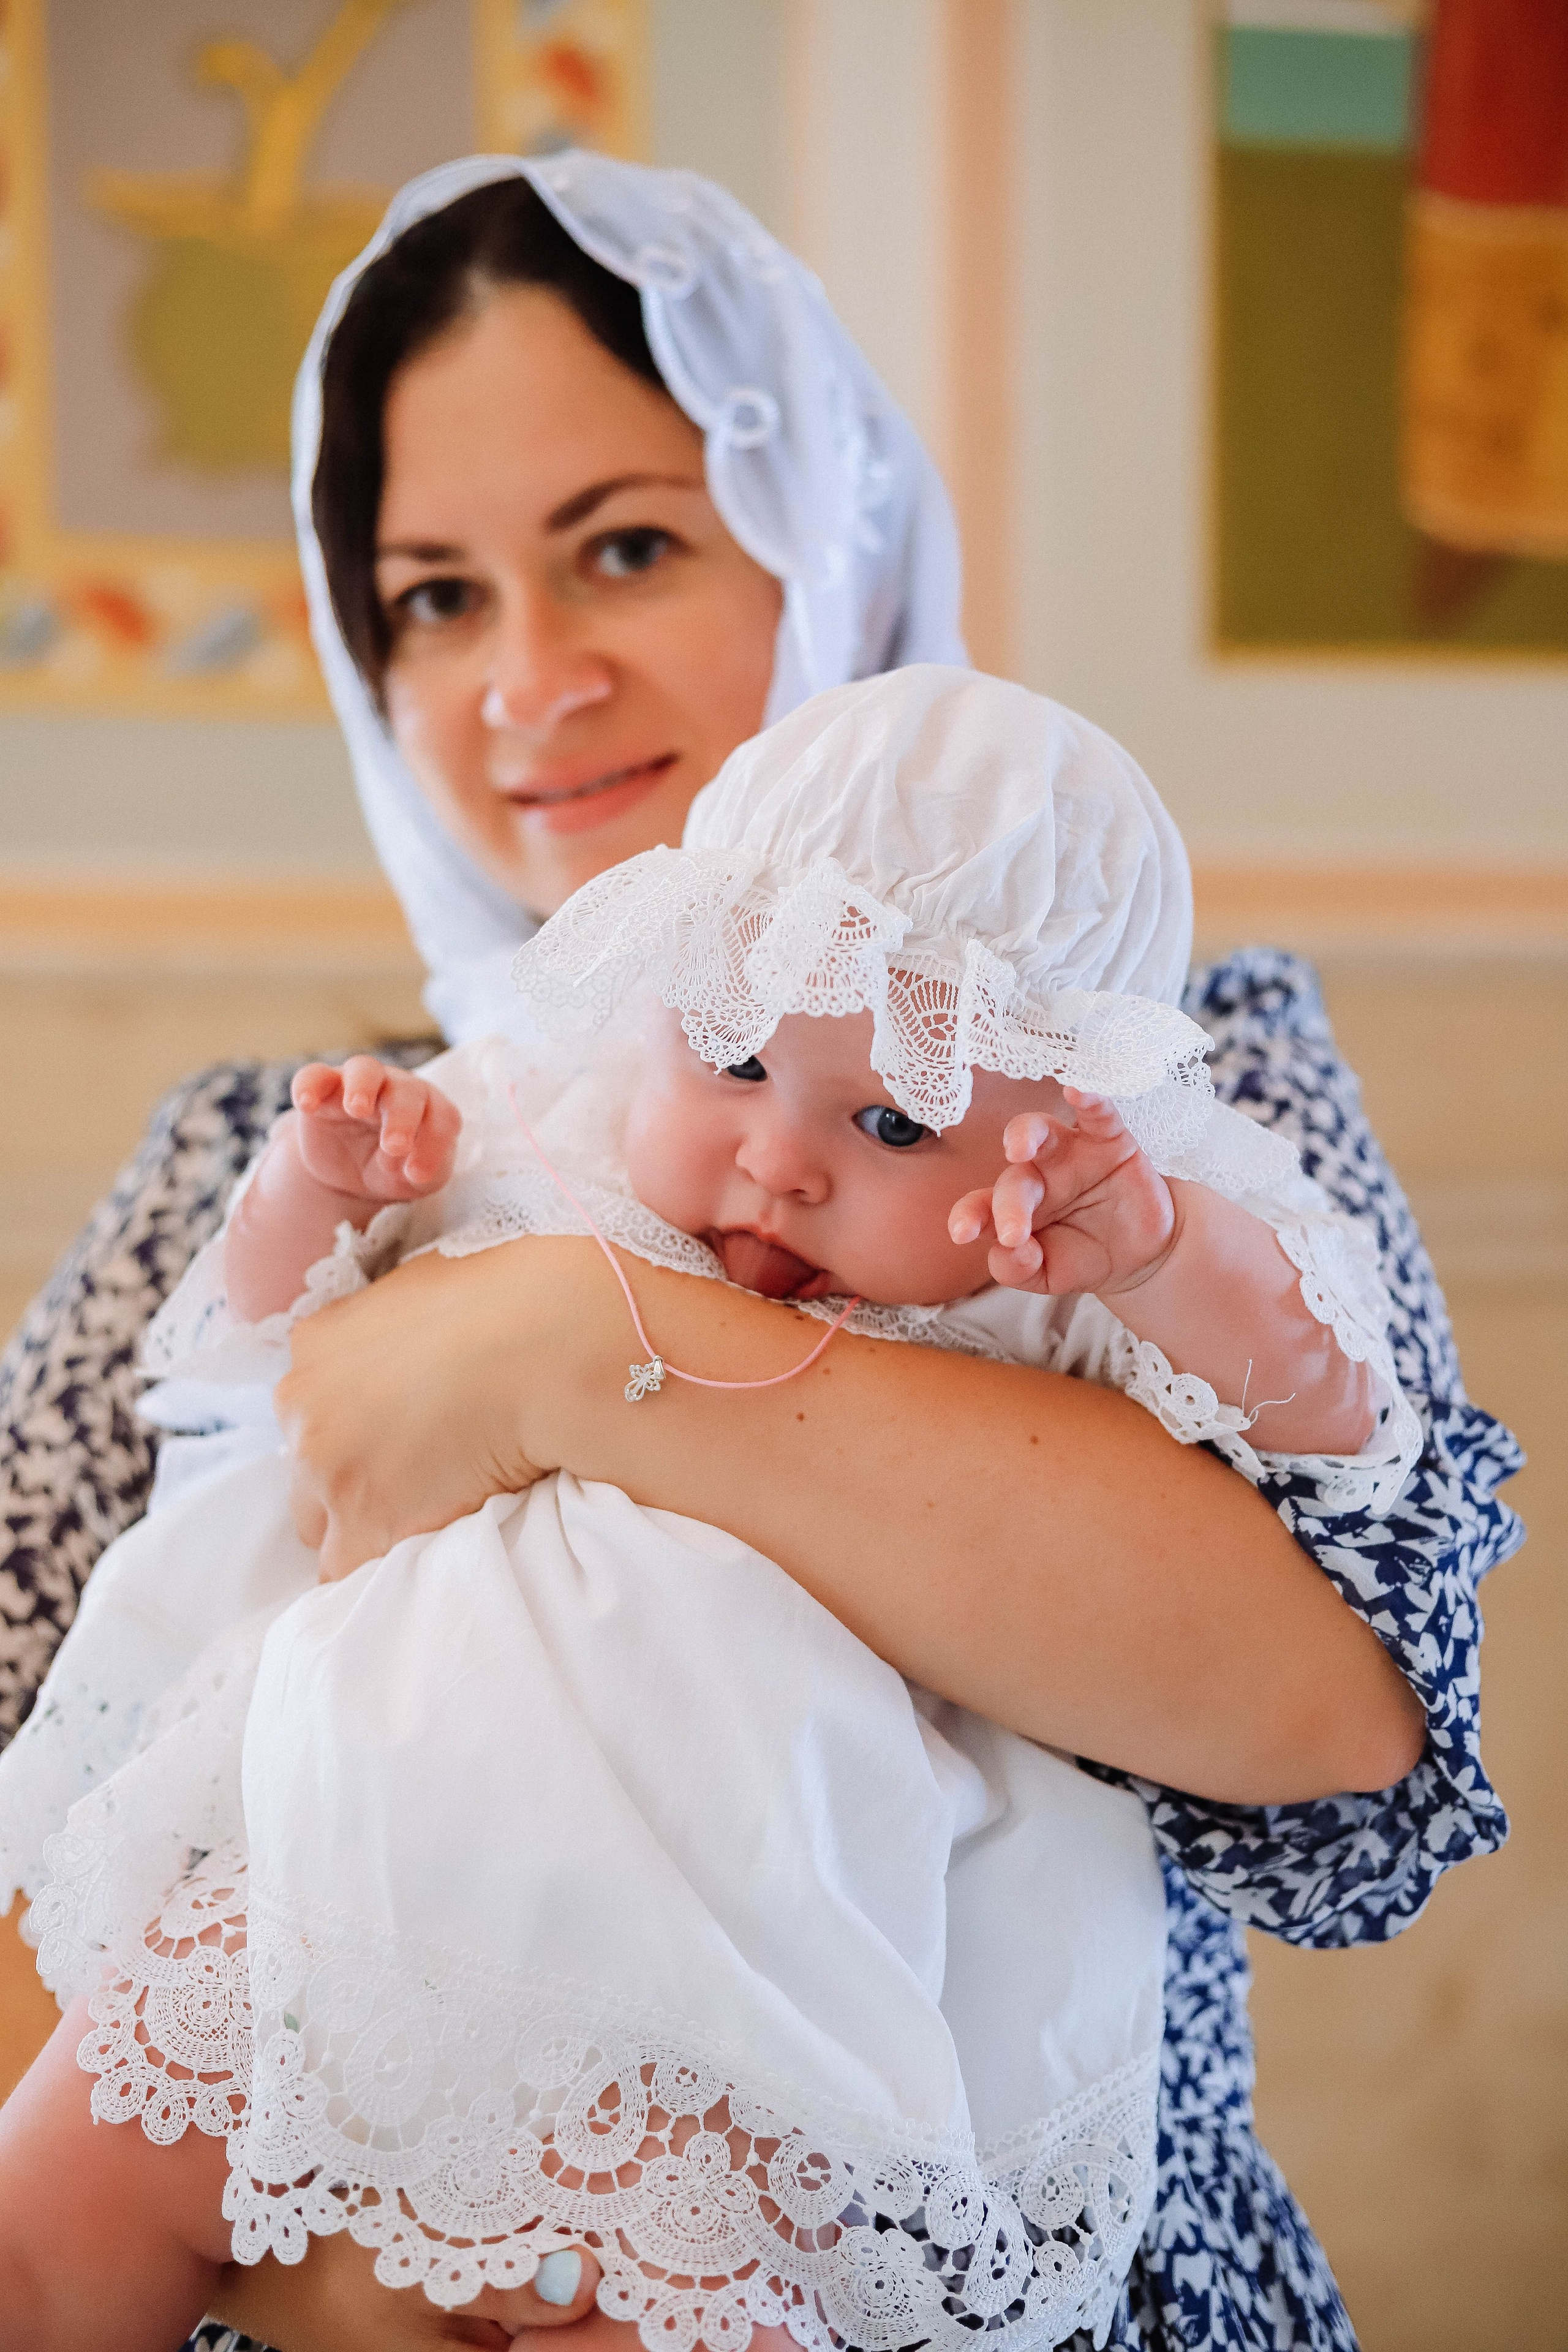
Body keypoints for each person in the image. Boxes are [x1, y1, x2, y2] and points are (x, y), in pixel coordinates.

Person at [0, 154, 1521, 2352]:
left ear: (832, 546)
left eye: (627, 545)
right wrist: (326, 2256)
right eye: (431, 595)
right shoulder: (270, 1154)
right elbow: (50, 1759)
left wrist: (565, 1344)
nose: (526, 682)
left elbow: (1349, 1744)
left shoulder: (1139, 1116)